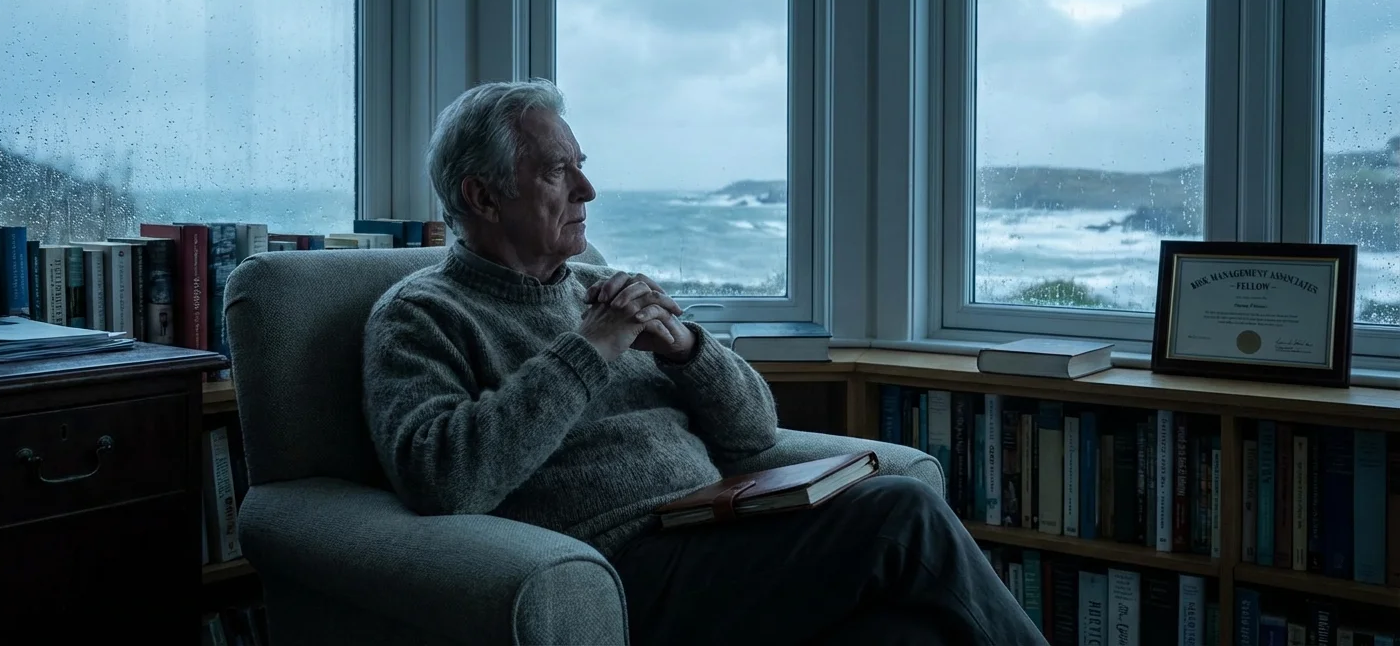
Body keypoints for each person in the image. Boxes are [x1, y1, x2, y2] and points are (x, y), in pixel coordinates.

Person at [361, 79, 1046, 646]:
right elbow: (442, 478)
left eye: (581, 165)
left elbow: (753, 435)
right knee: (900, 508)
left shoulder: (602, 291)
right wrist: (591, 347)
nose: (588, 191)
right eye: (557, 172)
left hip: (721, 533)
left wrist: (687, 350)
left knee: (908, 634)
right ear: (482, 196)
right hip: (619, 567)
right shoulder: (422, 313)